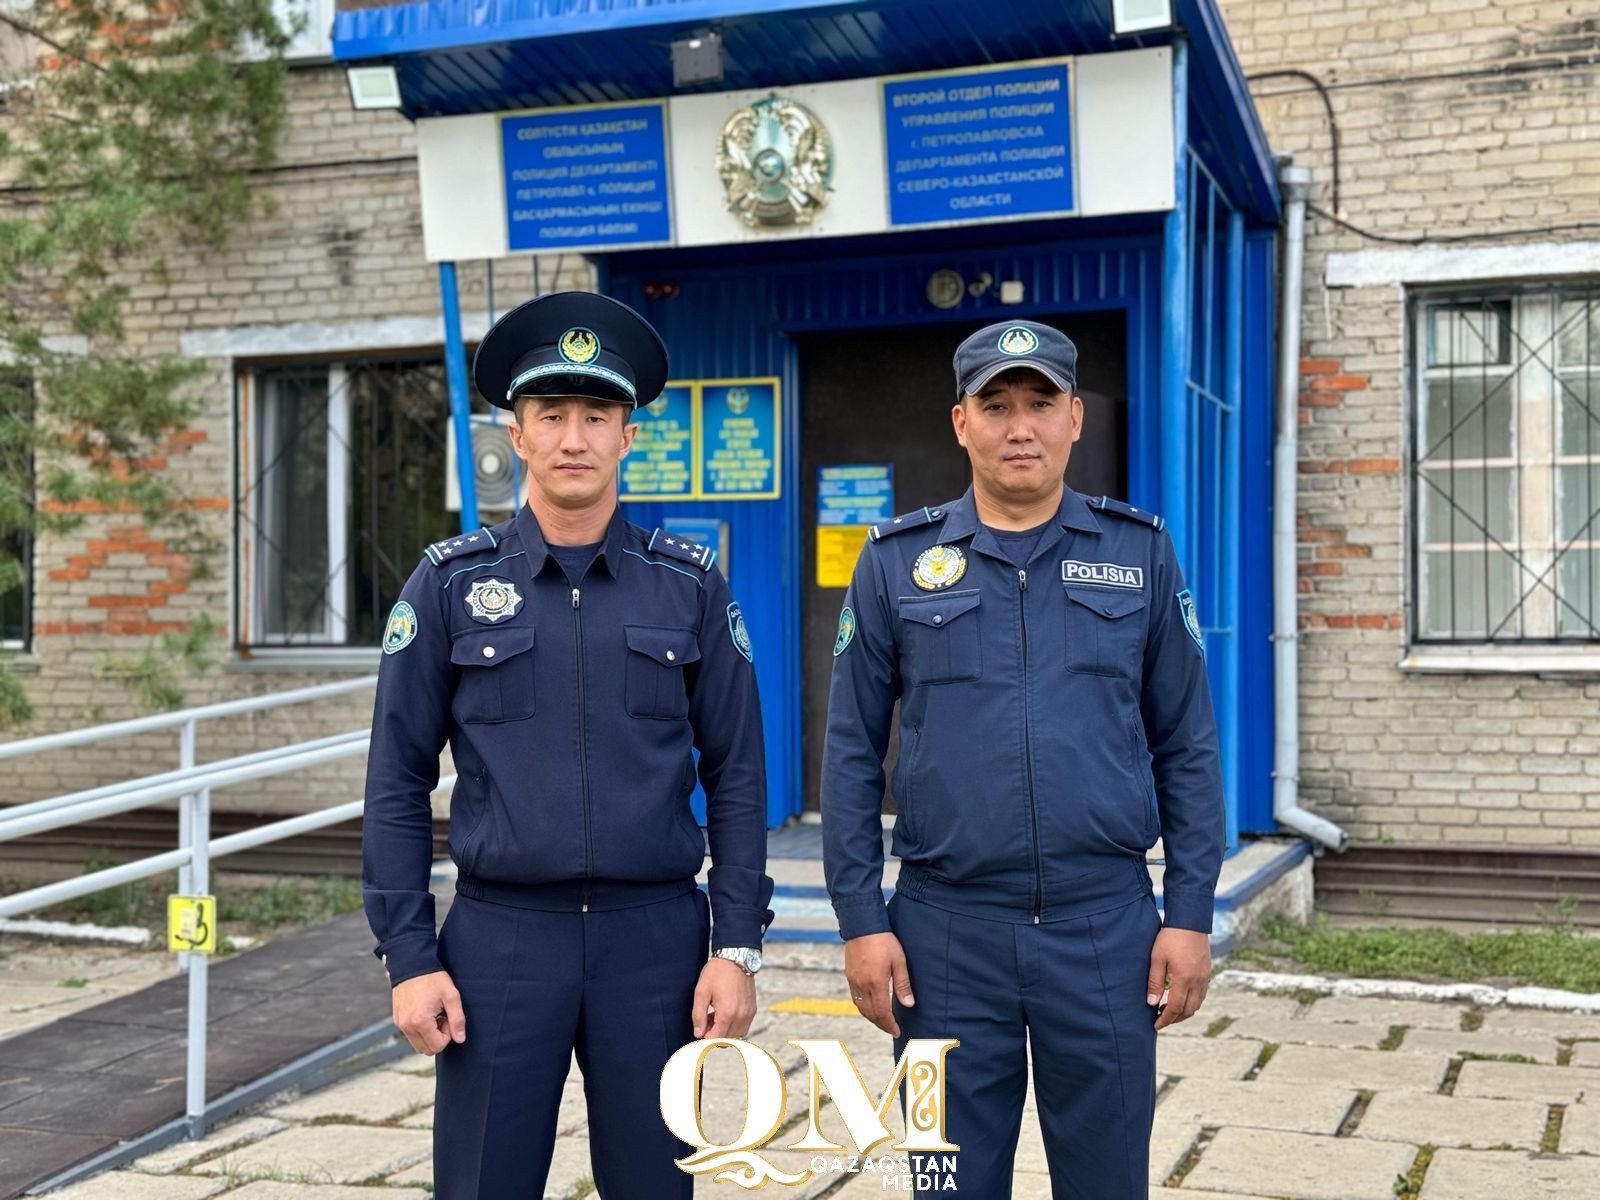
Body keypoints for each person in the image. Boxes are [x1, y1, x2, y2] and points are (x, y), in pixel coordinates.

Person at [360, 290, 775, 1199]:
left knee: (656, 1185)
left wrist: (735, 943)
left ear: (629, 437)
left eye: (598, 416)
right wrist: (410, 954)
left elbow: (738, 773)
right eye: (553, 415)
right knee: (482, 1185)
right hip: (502, 942)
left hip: (656, 945)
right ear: (518, 433)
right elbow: (395, 779)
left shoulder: (689, 588)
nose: (574, 438)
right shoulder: (449, 587)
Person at [820, 318, 1225, 1197]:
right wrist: (861, 920)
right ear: (960, 422)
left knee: (1108, 1181)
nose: (1019, 426)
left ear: (1075, 417)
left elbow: (1187, 743)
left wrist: (1190, 912)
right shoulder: (894, 563)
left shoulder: (1139, 553)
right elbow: (850, 750)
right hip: (942, 938)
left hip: (1106, 932)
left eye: (1040, 403)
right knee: (945, 1183)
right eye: (995, 405)